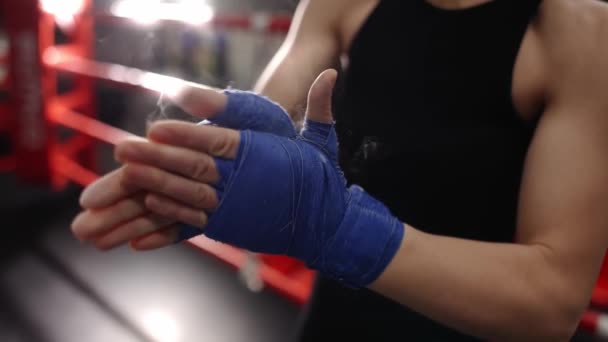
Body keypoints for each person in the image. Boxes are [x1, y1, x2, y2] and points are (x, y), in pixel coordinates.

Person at [71, 0, 608, 340]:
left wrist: (343, 231)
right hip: (339, 318)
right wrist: (219, 164)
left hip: (471, 322)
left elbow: (551, 301)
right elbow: (277, 112)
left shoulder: (577, 32)